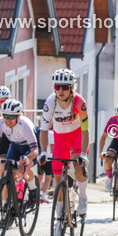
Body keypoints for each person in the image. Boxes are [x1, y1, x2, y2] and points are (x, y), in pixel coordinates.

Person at [38, 69, 90, 215]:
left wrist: (83, 154)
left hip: (77, 135)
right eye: (57, 86)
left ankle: (83, 196)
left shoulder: (79, 102)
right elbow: (43, 130)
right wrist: (43, 151)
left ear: (72, 88)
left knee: (78, 164)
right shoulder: (50, 102)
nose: (61, 90)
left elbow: (85, 131)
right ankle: (59, 215)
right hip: (60, 138)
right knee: (57, 177)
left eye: (65, 87)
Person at [0, 99, 40, 202]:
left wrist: (27, 158)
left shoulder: (25, 125)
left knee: (22, 167)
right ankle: (9, 200)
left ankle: (33, 190)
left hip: (30, 147)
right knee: (7, 171)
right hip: (15, 145)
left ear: (18, 116)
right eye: (5, 116)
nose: (8, 120)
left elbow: (35, 150)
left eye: (11, 117)